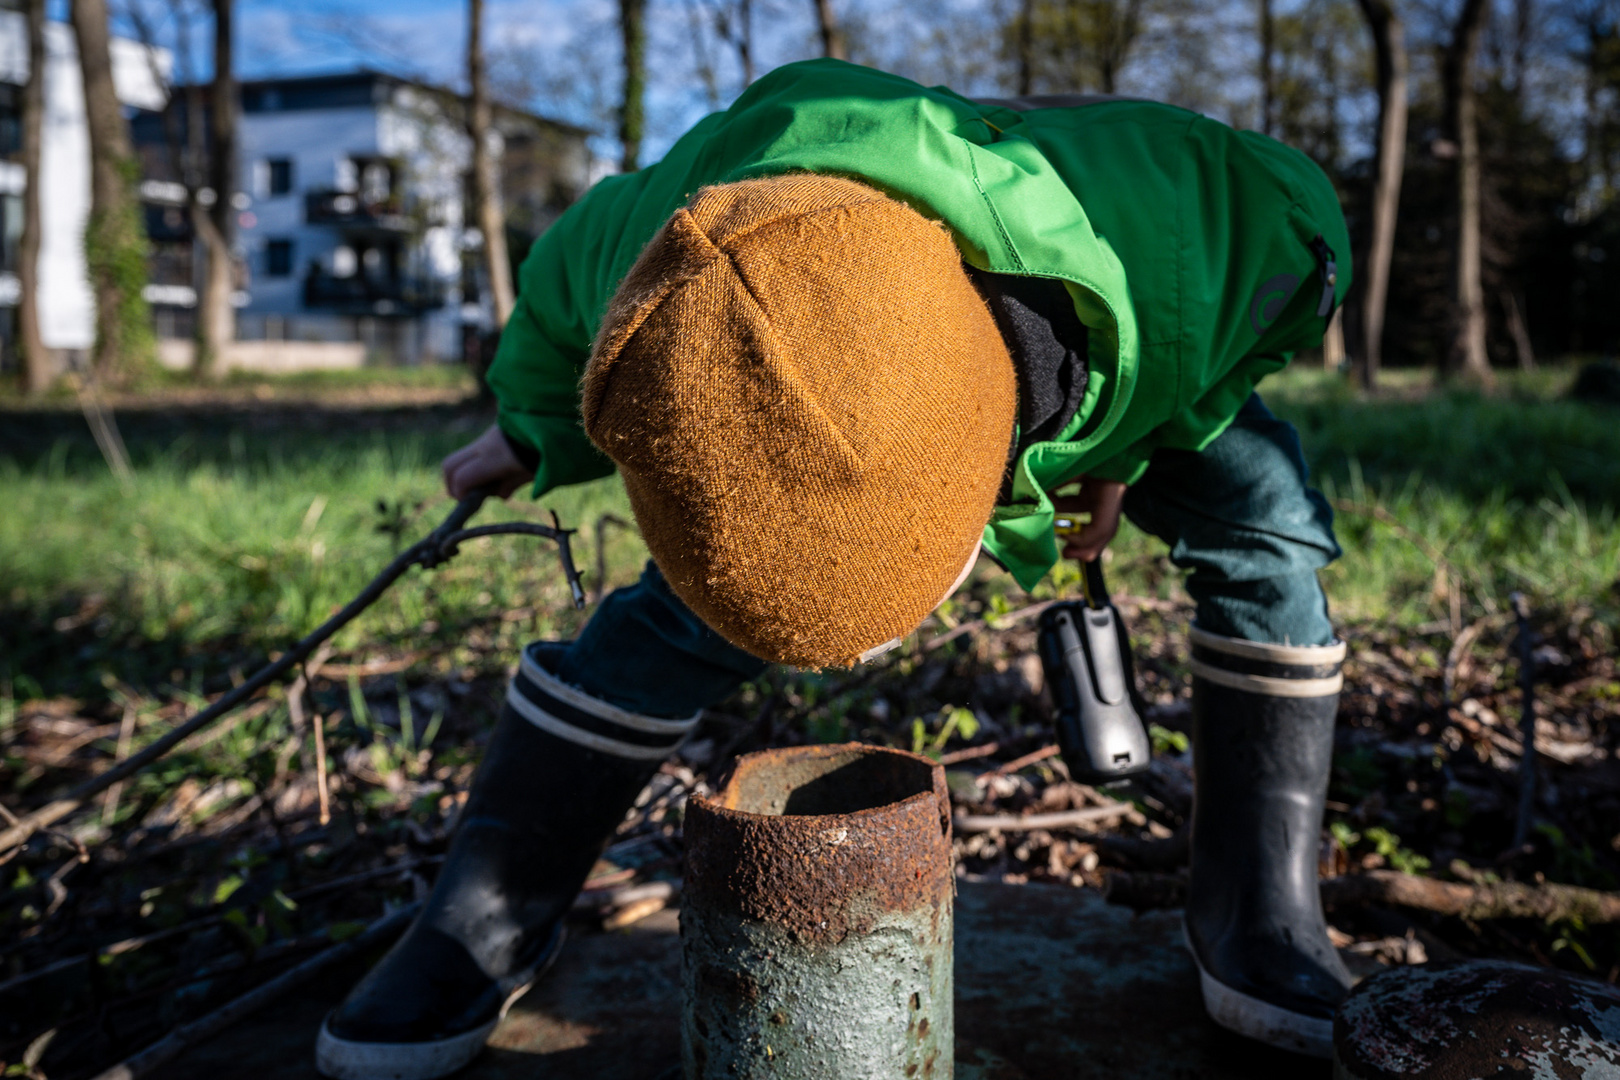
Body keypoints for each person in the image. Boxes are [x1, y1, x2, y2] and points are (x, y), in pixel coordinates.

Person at [314, 59, 1353, 1079]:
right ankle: (491, 911)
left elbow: (1299, 273)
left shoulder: (1196, 228)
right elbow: (550, 305)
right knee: (685, 612)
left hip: (1141, 333)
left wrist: (1131, 445)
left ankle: (1258, 908)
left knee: (1264, 525)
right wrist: (531, 428)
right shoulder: (644, 245)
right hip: (841, 351)